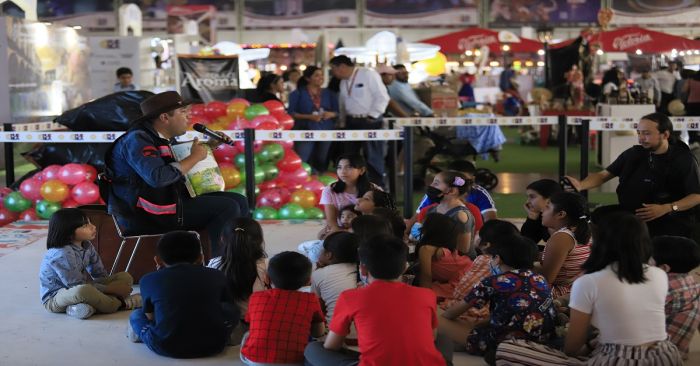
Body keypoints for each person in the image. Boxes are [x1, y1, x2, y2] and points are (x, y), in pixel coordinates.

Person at [496, 212, 683, 365]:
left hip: (615, 360)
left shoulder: (590, 282)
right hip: (665, 356)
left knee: (507, 349)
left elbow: (572, 347)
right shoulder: (659, 274)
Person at [104, 91, 249, 257]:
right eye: (183, 112)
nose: (189, 117)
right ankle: (222, 265)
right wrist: (194, 157)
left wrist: (209, 146)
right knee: (226, 208)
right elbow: (158, 177)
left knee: (239, 200)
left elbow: (181, 168)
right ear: (165, 118)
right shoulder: (137, 140)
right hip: (146, 213)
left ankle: (240, 259)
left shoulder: (161, 138)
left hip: (167, 200)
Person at [304, 234, 447, 366]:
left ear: (363, 269)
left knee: (313, 348)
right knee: (443, 340)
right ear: (404, 267)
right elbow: (432, 337)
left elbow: (332, 346)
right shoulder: (427, 294)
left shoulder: (350, 297)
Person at [565, 112, 700, 244]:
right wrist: (580, 185)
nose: (641, 138)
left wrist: (668, 207)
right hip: (632, 213)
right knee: (598, 216)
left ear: (665, 135)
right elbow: (602, 175)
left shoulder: (684, 159)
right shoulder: (633, 154)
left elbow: (696, 196)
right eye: (639, 133)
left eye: (647, 133)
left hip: (669, 217)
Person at [439, 233, 556, 365]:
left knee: (438, 319)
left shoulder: (493, 281)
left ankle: (473, 345)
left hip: (503, 344)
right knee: (472, 325)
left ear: (498, 259)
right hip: (541, 341)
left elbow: (450, 314)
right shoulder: (539, 279)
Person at [128, 231, 239, 358]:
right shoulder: (217, 275)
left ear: (157, 260)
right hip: (214, 344)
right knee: (232, 309)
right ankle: (229, 335)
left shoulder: (148, 279)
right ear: (200, 258)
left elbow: (151, 317)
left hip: (165, 346)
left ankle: (139, 334)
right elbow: (227, 308)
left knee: (136, 315)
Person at [40, 208, 140, 320]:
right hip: (57, 297)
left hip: (84, 287)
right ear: (68, 232)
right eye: (85, 226)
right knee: (84, 291)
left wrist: (112, 286)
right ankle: (123, 304)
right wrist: (111, 290)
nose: (93, 227)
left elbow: (99, 274)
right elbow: (76, 285)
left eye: (90, 222)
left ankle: (86, 308)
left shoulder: (86, 245)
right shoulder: (61, 254)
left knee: (125, 276)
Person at [241, 251, 325, 365]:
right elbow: (318, 332)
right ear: (309, 280)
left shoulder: (256, 297)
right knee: (317, 342)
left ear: (266, 278)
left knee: (247, 335)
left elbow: (252, 323)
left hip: (255, 360)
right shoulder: (310, 299)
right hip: (296, 361)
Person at [330, 55, 391, 187]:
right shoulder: (343, 82)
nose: (333, 73)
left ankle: (378, 188)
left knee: (373, 157)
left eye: (334, 69)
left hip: (370, 121)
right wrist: (342, 121)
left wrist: (373, 115)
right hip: (351, 121)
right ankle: (352, 187)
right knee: (350, 157)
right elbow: (342, 104)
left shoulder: (368, 74)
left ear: (342, 66)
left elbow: (382, 96)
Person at [441, 219, 520, 310]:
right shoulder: (509, 265)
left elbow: (459, 293)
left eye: (480, 234)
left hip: (465, 307)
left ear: (486, 245)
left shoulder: (481, 259)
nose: (476, 233)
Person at [207, 217, 267, 320]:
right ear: (260, 240)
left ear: (222, 239)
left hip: (227, 326)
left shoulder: (214, 264)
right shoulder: (268, 266)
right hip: (259, 324)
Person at [652, 235, 700, 360]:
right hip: (676, 353)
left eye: (649, 259)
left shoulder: (662, 288)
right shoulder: (693, 283)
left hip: (652, 354)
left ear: (664, 268)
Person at [538, 192, 592, 298]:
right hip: (578, 288)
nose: (542, 210)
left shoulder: (561, 238)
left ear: (561, 214)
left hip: (565, 293)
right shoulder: (583, 230)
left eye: (547, 207)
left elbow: (546, 279)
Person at [288, 65, 339, 174]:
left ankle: (320, 184)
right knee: (303, 159)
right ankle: (303, 183)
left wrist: (330, 114)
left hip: (325, 129)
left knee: (322, 159)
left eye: (322, 75)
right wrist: (309, 117)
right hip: (304, 129)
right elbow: (291, 114)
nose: (321, 78)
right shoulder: (297, 93)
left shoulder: (329, 93)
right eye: (317, 75)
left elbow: (337, 112)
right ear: (308, 78)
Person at [416, 160, 498, 222]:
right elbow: (418, 217)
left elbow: (490, 221)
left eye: (462, 181)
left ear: (472, 180)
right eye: (453, 180)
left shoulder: (478, 196)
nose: (457, 185)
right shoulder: (436, 193)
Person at [416, 213, 473, 298]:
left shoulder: (426, 249)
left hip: (465, 278)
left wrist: (424, 297)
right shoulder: (440, 248)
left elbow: (426, 276)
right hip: (467, 273)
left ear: (431, 229)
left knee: (417, 292)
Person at [311, 231, 359, 324]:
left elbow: (318, 311)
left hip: (333, 334)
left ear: (329, 255)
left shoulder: (320, 274)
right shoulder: (364, 271)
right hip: (365, 334)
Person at [520, 179, 562, 244]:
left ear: (549, 199)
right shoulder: (540, 215)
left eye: (532, 197)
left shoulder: (563, 217)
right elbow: (526, 243)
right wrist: (532, 218)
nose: (527, 202)